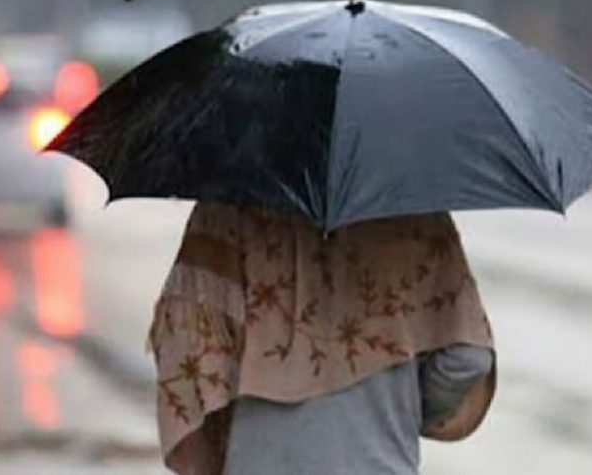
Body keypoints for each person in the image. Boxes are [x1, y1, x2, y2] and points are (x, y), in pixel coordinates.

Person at [148, 202, 497, 475]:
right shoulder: (417, 214)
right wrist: (400, 408)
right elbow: (468, 358)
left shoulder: (227, 209)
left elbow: (184, 349)